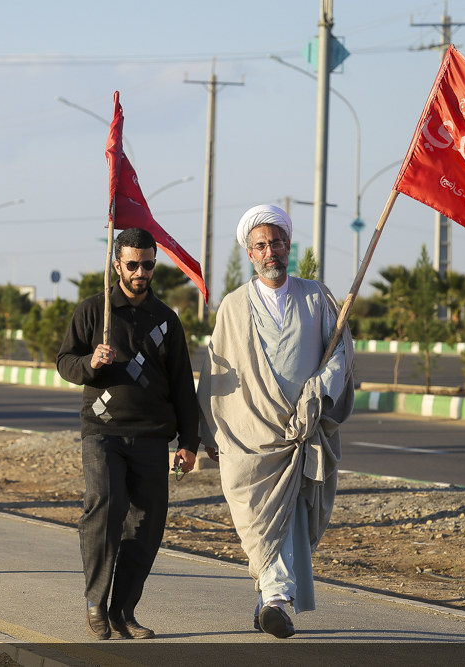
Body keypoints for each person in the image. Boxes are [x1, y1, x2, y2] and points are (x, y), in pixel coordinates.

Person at [196, 204, 355, 639]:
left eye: (277, 243)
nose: (271, 252)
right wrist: (206, 430)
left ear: (288, 245)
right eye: (261, 245)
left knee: (296, 519)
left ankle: (270, 599)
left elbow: (340, 354)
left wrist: (320, 388)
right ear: (250, 253)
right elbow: (216, 371)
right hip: (251, 437)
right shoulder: (232, 306)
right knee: (257, 518)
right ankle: (277, 600)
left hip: (303, 433)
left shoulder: (317, 297)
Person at [56, 227, 200, 640]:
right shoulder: (94, 311)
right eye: (133, 264)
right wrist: (91, 364)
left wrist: (188, 443)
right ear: (116, 264)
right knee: (106, 503)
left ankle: (123, 611)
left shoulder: (166, 321)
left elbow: (182, 388)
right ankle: (95, 601)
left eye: (149, 264)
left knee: (147, 525)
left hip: (152, 436)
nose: (141, 272)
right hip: (102, 430)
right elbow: (65, 361)